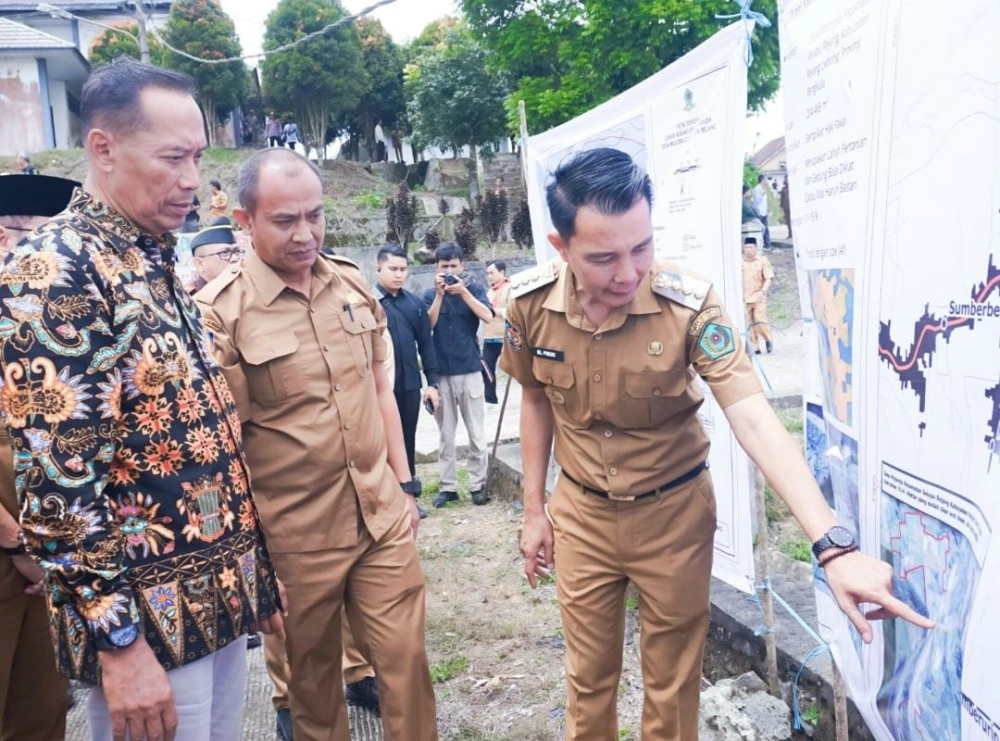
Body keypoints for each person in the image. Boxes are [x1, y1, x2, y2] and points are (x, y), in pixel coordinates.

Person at [503, 148, 934, 741]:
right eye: (603, 258)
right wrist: (534, 511)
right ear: (562, 247)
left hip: (673, 521)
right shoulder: (529, 306)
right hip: (581, 517)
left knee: (672, 685)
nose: (628, 273)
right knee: (589, 679)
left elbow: (753, 414)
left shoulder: (689, 304)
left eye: (642, 247)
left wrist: (831, 545)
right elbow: (532, 399)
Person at [0, 58, 285, 741]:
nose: (192, 179)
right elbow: (60, 483)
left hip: (213, 601)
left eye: (198, 157)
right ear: (103, 148)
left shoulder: (151, 254)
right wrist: (119, 644)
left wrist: (256, 575)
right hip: (144, 621)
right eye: (172, 157)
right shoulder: (55, 266)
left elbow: (202, 435)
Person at [196, 148, 438, 741]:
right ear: (245, 222)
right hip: (295, 539)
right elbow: (225, 447)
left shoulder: (352, 284)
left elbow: (380, 389)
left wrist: (405, 486)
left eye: (315, 215)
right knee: (313, 686)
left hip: (379, 516)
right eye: (285, 221)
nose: (305, 233)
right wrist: (250, 551)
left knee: (407, 667)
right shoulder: (219, 313)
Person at [0, 174, 78, 741]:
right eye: (16, 231)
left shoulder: (52, 318)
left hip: (45, 554)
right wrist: (14, 542)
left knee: (41, 710)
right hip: (12, 545)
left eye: (47, 234)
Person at [423, 243, 494, 507]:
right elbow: (427, 326)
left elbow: (487, 316)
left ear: (462, 266)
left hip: (471, 369)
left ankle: (478, 484)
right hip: (441, 373)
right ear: (436, 268)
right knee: (445, 435)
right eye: (445, 267)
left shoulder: (474, 290)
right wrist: (440, 296)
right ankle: (448, 487)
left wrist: (463, 292)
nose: (450, 271)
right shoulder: (430, 294)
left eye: (454, 266)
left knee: (476, 432)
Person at [375, 243, 441, 516]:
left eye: (403, 269)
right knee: (381, 442)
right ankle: (386, 499)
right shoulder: (368, 303)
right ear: (378, 268)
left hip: (410, 385)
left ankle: (409, 496)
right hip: (380, 388)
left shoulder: (413, 303)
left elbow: (426, 344)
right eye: (392, 269)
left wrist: (432, 384)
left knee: (407, 439)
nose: (398, 274)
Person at [187, 217, 244, 293]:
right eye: (224, 252)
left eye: (237, 251)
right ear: (199, 264)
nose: (235, 258)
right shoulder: (188, 299)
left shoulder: (247, 289)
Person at [482, 259, 510, 404]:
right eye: (487, 273)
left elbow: (512, 312)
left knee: (518, 370)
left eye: (492, 273)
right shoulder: (489, 292)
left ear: (502, 272)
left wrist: (493, 311)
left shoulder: (510, 289)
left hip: (506, 338)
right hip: (489, 338)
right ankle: (490, 401)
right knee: (486, 369)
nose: (489, 276)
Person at [742, 237, 774, 354]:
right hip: (745, 298)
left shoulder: (762, 261)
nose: (748, 250)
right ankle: (755, 347)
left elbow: (768, 278)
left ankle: (768, 339)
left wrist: (764, 291)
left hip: (758, 296)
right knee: (749, 324)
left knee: (759, 321)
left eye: (751, 247)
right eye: (746, 248)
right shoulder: (741, 263)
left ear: (755, 248)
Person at [752, 173, 771, 247]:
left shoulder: (763, 188)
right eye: (765, 179)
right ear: (762, 180)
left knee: (766, 228)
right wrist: (763, 194)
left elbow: (764, 202)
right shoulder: (757, 189)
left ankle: (767, 244)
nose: (766, 181)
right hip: (759, 212)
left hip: (764, 211)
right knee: (761, 228)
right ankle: (763, 244)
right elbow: (757, 200)